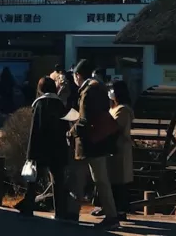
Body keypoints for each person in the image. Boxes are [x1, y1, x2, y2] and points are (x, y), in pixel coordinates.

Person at [68, 59, 120, 229]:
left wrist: (70, 132)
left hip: (87, 142)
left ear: (78, 75)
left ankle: (72, 214)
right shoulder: (100, 87)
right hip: (100, 141)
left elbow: (84, 120)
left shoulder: (87, 91)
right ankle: (111, 215)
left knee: (79, 180)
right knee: (100, 181)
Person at [27, 76, 77, 222]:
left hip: (41, 147)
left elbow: (34, 130)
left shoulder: (39, 104)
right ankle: (60, 211)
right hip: (58, 148)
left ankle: (28, 208)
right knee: (58, 181)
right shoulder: (60, 104)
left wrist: (30, 153)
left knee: (34, 178)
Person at [107, 81, 135, 220]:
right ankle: (113, 209)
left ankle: (120, 211)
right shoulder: (114, 108)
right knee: (113, 180)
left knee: (120, 181)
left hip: (120, 149)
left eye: (112, 89)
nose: (110, 92)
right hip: (113, 149)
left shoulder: (123, 109)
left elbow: (114, 126)